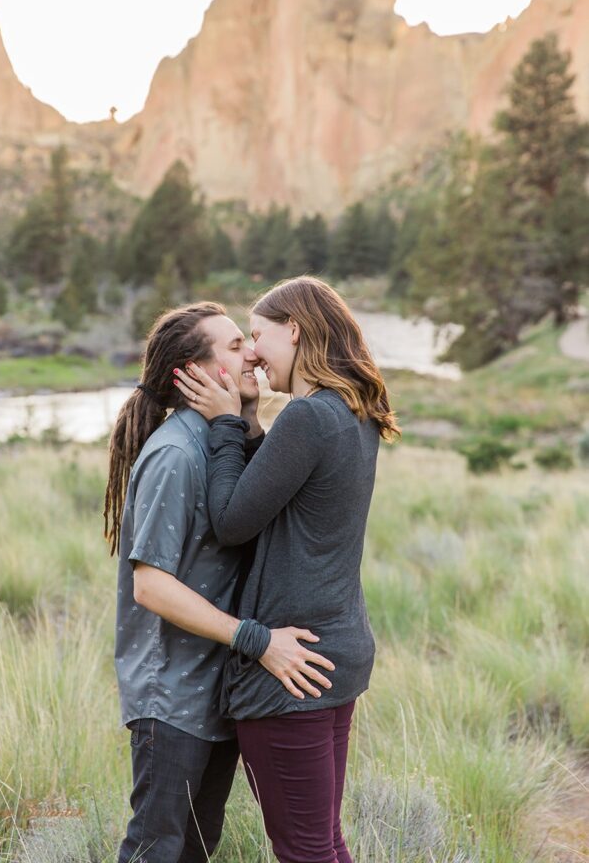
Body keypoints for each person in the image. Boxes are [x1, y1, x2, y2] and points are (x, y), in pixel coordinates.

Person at [173, 276, 401, 863]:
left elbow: (231, 519)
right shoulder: (352, 412)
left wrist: (224, 423)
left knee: (306, 851)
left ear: (294, 330)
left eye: (258, 335)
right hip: (337, 652)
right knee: (322, 844)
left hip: (288, 669)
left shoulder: (306, 418)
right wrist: (248, 420)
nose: (251, 351)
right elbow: (277, 487)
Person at [103, 301, 336, 863]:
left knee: (197, 845)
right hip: (172, 696)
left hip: (215, 690)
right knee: (156, 848)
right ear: (196, 372)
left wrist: (247, 419)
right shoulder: (176, 454)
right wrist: (258, 641)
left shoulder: (218, 441)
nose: (252, 352)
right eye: (235, 346)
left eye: (248, 340)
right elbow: (151, 586)